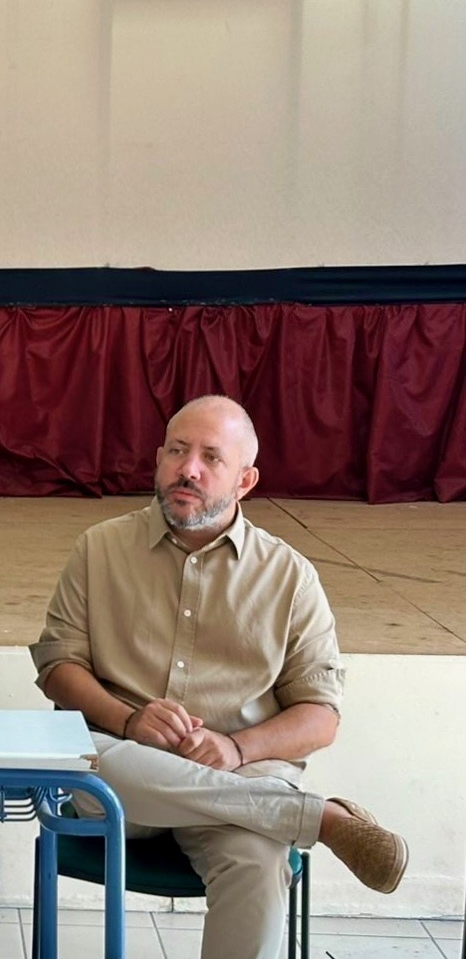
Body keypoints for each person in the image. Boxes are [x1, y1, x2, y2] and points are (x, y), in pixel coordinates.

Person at [31, 394, 409, 959]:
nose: (188, 469)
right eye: (177, 451)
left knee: (258, 864)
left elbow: (320, 716)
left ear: (245, 480)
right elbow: (58, 667)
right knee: (100, 763)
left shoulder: (290, 576)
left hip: (241, 773)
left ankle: (281, 814)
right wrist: (129, 720)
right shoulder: (98, 549)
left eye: (211, 457)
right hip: (124, 779)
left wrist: (236, 747)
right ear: (158, 458)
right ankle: (318, 819)